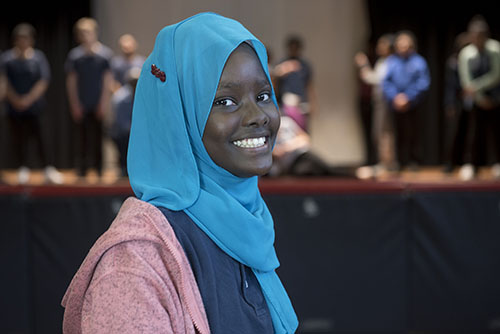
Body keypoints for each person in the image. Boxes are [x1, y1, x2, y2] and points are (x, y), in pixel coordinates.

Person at [61, 13, 298, 334]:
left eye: (263, 96)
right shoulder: (135, 263)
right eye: (226, 101)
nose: (258, 116)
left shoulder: (248, 226)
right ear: (179, 117)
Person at [0, 23, 63, 184]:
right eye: (20, 38)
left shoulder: (38, 57)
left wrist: (29, 98)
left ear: (31, 40)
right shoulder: (7, 59)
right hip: (14, 108)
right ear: (15, 40)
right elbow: (4, 81)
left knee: (42, 138)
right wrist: (15, 99)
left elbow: (43, 80)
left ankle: (48, 169)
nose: (23, 42)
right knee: (19, 139)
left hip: (35, 107)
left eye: (26, 38)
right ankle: (22, 168)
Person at [65, 17, 113, 179]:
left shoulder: (105, 55)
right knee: (82, 138)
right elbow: (72, 81)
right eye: (82, 33)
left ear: (95, 33)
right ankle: (83, 169)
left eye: (88, 32)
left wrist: (104, 103)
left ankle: (99, 169)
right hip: (82, 102)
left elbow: (107, 81)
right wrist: (75, 104)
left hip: (98, 102)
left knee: (98, 137)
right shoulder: (75, 56)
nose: (85, 36)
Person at [457, 15, 500, 180]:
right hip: (475, 100)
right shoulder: (466, 54)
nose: (478, 39)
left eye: (481, 35)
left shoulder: (495, 49)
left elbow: (496, 74)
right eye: (474, 36)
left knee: (496, 133)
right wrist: (479, 97)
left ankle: (497, 163)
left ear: (486, 35)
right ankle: (471, 165)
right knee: (473, 133)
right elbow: (466, 80)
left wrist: (481, 91)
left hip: (495, 98)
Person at [382, 30, 430, 171]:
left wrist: (408, 97)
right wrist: (395, 97)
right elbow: (386, 82)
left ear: (411, 45)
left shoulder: (419, 61)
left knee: (414, 133)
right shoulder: (391, 61)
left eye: (405, 44)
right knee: (397, 133)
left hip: (413, 104)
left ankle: (413, 161)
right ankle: (399, 162)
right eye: (400, 44)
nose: (402, 46)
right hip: (395, 104)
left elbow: (423, 83)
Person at [354, 34, 396, 177]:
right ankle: (384, 162)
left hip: (385, 101)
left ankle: (387, 163)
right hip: (379, 101)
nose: (379, 47)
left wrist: (364, 65)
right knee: (379, 133)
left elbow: (376, 79)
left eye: (382, 44)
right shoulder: (383, 61)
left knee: (383, 133)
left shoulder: (390, 62)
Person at [274, 35, 317, 132]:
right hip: (286, 104)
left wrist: (313, 104)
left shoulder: (305, 65)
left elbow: (309, 85)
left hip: (302, 102)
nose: (293, 50)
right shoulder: (282, 64)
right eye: (291, 47)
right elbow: (274, 82)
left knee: (303, 131)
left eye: (296, 48)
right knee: (288, 131)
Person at [442, 32, 470, 174]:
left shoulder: (473, 59)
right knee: (453, 134)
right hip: (457, 101)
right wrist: (450, 103)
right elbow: (450, 86)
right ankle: (450, 163)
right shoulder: (453, 62)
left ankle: (468, 163)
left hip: (473, 100)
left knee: (470, 133)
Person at [110, 67, 140, 177]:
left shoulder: (145, 94)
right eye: (133, 82)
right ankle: (123, 167)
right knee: (122, 137)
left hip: (139, 130)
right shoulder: (120, 98)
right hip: (124, 132)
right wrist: (135, 131)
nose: (135, 85)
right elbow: (121, 122)